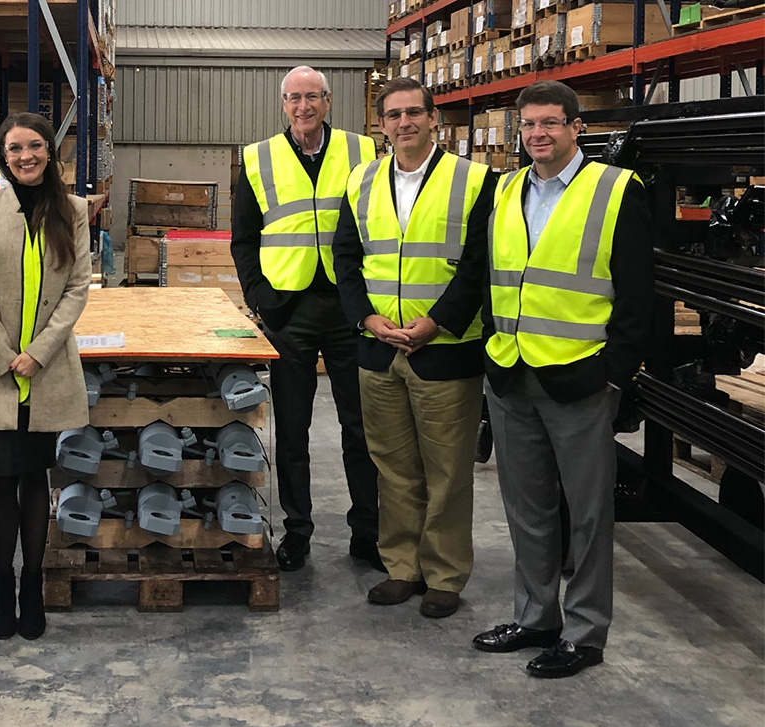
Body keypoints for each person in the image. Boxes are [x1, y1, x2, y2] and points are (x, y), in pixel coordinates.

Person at [473, 81, 653, 677]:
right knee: (527, 509)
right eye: (528, 125)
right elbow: (489, 278)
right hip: (511, 371)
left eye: (551, 123)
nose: (538, 134)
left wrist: (613, 377)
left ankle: (585, 633)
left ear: (578, 128)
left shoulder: (616, 189)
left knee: (588, 513)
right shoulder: (502, 190)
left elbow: (636, 298)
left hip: (581, 380)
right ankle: (535, 617)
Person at [334, 78, 496, 619]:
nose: (404, 123)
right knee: (393, 466)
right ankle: (401, 567)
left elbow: (479, 266)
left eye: (414, 114)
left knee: (447, 469)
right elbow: (347, 258)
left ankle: (445, 575)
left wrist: (438, 323)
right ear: (380, 125)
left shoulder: (474, 180)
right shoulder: (362, 179)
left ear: (434, 119)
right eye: (393, 115)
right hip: (378, 347)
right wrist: (365, 317)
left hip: (445, 349)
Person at [231, 65, 381, 572]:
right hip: (288, 310)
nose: (303, 107)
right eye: (293, 98)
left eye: (312, 97)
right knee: (291, 431)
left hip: (349, 307)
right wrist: (261, 297)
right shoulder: (258, 158)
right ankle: (298, 531)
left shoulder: (363, 152)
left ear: (328, 100)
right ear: (283, 104)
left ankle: (368, 531)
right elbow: (243, 239)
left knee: (360, 427)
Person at [0, 112, 91, 640]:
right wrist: (6, 351)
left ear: (50, 152)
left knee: (36, 478)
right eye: (14, 149)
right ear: (2, 156)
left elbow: (78, 286)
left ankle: (33, 583)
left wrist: (38, 352)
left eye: (34, 146)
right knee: (1, 478)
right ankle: (0, 581)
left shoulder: (73, 210)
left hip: (46, 368)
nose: (25, 156)